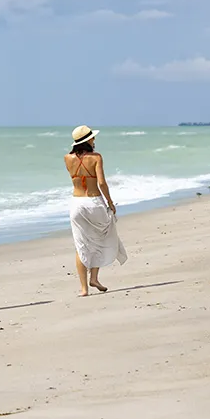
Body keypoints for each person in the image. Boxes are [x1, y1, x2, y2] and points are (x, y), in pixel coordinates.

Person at [65, 125, 126, 296]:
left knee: (81, 245)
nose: (94, 140)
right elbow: (101, 183)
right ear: (88, 140)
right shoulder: (96, 157)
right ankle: (94, 278)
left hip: (76, 203)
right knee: (99, 239)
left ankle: (84, 288)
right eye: (92, 138)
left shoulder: (67, 158)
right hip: (93, 202)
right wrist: (110, 202)